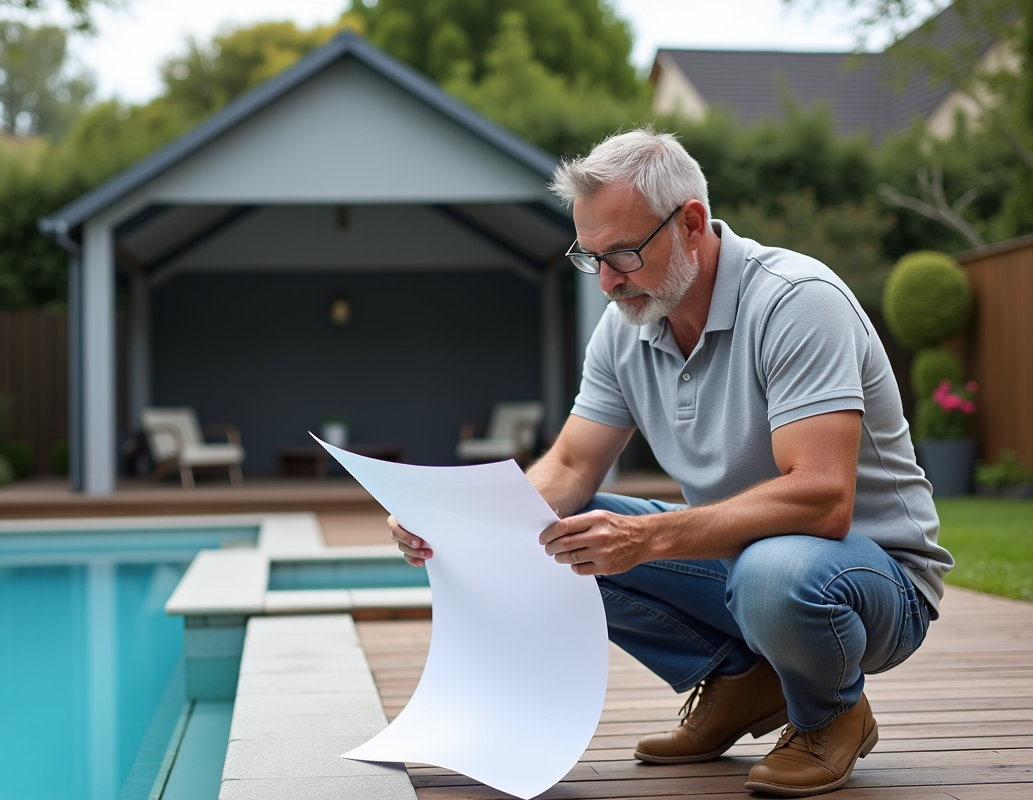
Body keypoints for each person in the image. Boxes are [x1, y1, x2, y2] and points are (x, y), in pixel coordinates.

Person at [389, 128, 953, 797]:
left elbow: (822, 499)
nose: (607, 281)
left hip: (872, 580)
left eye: (623, 253)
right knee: (550, 538)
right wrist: (470, 523)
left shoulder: (796, 301)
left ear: (690, 223)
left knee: (772, 572)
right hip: (742, 564)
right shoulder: (626, 327)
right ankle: (744, 680)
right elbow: (570, 466)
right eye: (591, 257)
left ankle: (832, 712)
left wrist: (648, 537)